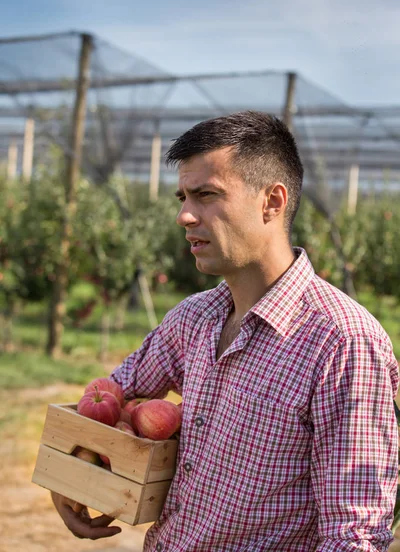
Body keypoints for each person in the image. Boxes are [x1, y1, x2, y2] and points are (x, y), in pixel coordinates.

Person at [51, 111, 399, 551]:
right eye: (182, 197)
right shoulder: (195, 319)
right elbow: (109, 398)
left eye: (206, 195)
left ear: (272, 201)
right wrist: (69, 473)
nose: (184, 216)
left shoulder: (343, 343)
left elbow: (354, 536)